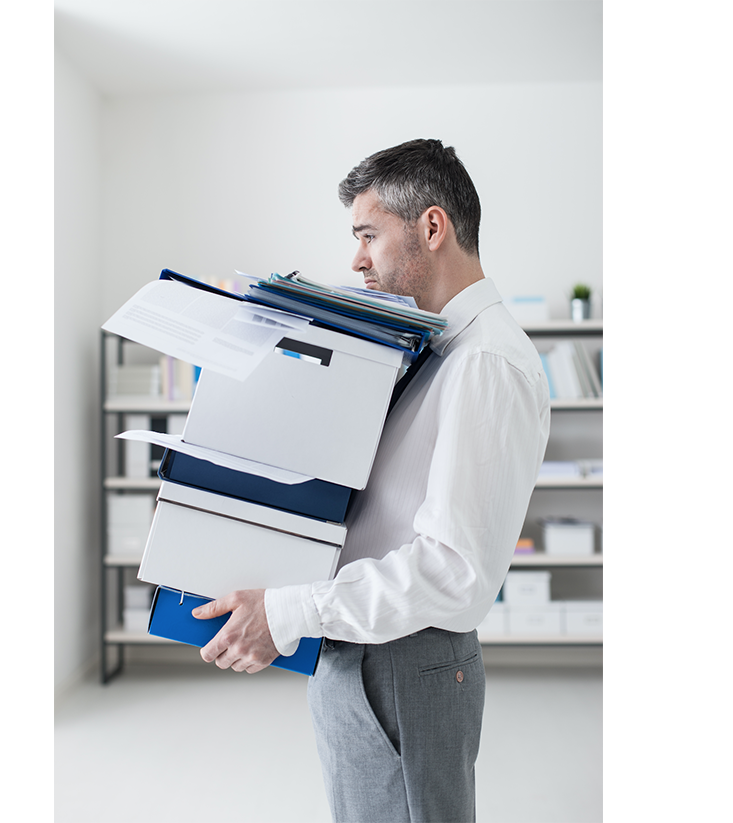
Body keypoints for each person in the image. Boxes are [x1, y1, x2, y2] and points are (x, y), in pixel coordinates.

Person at [192, 138, 551, 822]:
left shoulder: (485, 364)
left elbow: (452, 569)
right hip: (363, 651)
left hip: (402, 664)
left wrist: (288, 612)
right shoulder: (434, 347)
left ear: (432, 226)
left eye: (368, 235)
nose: (357, 258)